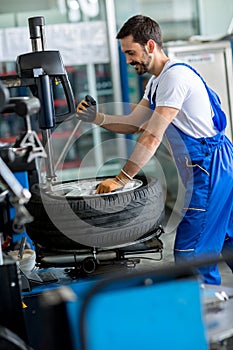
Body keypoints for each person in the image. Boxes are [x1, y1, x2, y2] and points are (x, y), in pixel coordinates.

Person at [76, 14, 233, 285]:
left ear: (150, 45)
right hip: (214, 167)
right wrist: (96, 117)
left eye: (130, 52)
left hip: (210, 169)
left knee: (191, 254)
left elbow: (151, 136)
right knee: (228, 239)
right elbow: (134, 123)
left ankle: (207, 320)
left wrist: (121, 178)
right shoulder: (157, 82)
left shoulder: (175, 77)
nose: (127, 60)